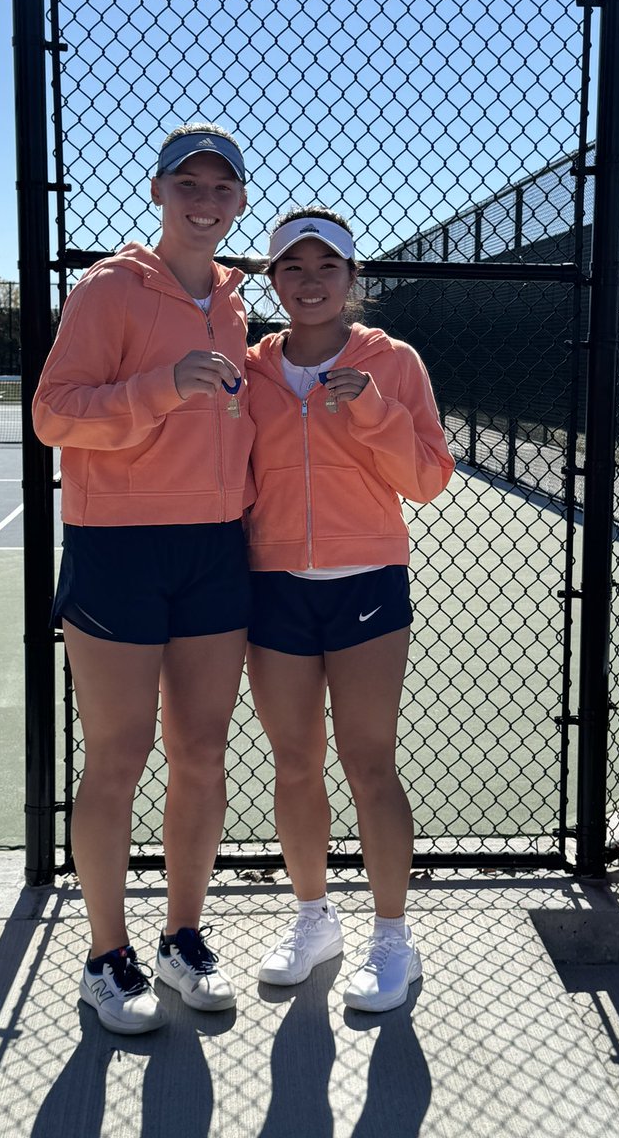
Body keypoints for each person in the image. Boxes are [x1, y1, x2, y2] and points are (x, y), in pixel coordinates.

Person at [32, 123, 255, 1034]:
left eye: (220, 188)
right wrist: (162, 386)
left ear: (240, 201)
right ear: (158, 193)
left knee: (201, 753)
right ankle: (105, 956)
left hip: (214, 550)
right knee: (118, 759)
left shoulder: (237, 306)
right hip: (118, 547)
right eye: (187, 186)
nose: (204, 203)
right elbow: (54, 414)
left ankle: (182, 938)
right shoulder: (108, 290)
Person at [244, 207, 455, 1012]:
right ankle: (313, 919)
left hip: (368, 584)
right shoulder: (250, 368)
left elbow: (427, 478)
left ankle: (393, 938)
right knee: (295, 763)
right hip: (274, 587)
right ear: (274, 280)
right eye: (293, 268)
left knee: (369, 764)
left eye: (326, 266)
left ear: (351, 278)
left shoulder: (392, 361)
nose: (310, 282)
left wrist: (371, 410)